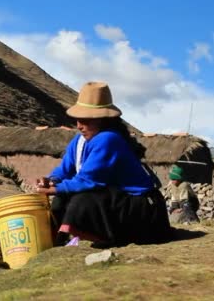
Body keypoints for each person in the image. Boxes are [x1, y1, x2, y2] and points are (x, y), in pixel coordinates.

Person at [36, 81, 171, 247]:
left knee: (84, 200)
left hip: (143, 208)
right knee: (62, 199)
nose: (79, 125)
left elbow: (88, 180)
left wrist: (56, 189)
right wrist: (52, 180)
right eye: (78, 119)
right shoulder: (79, 142)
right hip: (119, 200)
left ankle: (101, 237)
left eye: (86, 120)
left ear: (103, 120)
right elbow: (65, 169)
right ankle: (53, 241)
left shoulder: (109, 139)